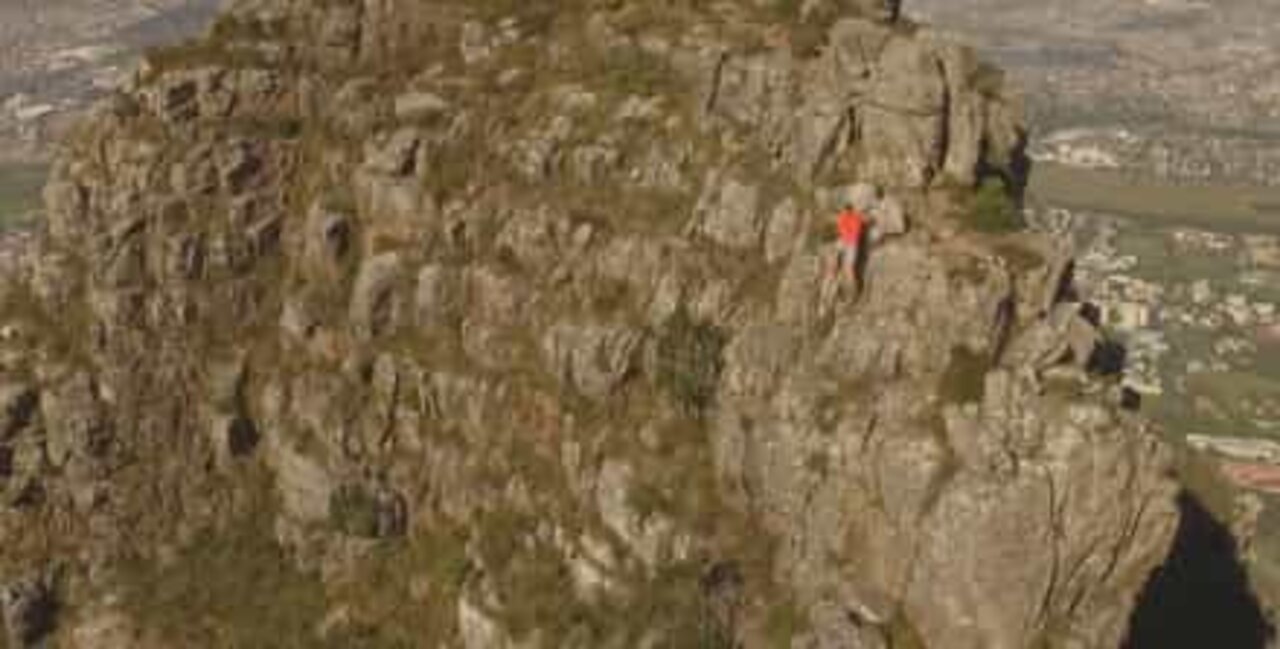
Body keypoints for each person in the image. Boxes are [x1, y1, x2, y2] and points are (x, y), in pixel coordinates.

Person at [831, 203, 869, 290]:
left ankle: (853, 288)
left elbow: (852, 232)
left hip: (851, 243)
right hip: (848, 242)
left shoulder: (852, 218)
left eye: (845, 211)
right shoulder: (846, 217)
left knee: (849, 267)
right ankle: (835, 270)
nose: (844, 212)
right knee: (836, 255)